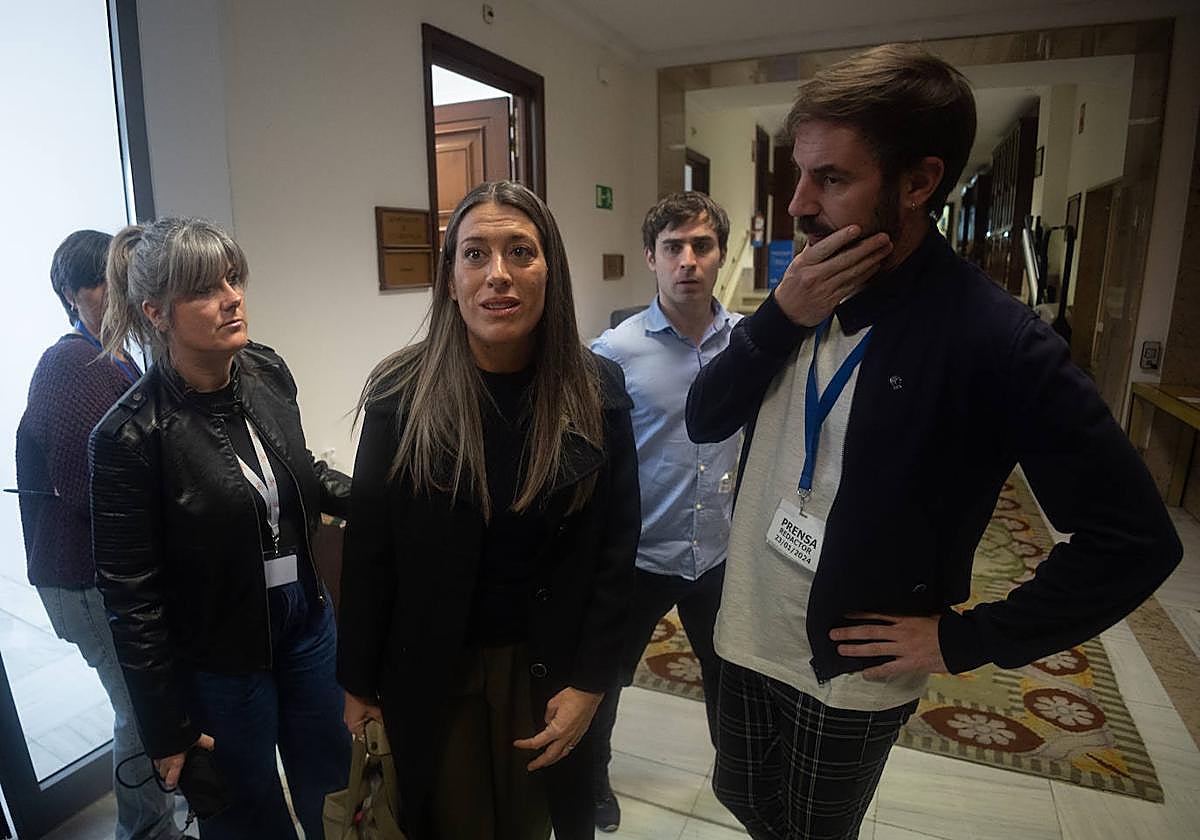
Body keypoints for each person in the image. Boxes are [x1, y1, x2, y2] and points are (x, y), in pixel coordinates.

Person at [686, 44, 1182, 840]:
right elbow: (705, 417)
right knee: (745, 801)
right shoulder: (796, 292)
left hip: (849, 671)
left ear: (918, 183)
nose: (798, 205)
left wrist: (968, 637)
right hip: (744, 630)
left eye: (832, 179)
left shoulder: (996, 339)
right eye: (799, 173)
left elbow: (1134, 541)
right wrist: (780, 317)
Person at [337, 180, 640, 840]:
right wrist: (357, 681)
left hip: (545, 666)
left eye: (520, 253)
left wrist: (592, 682)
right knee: (446, 820)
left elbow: (617, 552)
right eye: (474, 254)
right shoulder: (401, 392)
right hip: (430, 664)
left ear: (549, 271)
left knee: (533, 821)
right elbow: (369, 550)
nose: (497, 275)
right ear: (450, 278)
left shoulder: (595, 390)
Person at [89, 218, 352, 838]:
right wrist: (165, 724)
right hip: (220, 656)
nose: (232, 296)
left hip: (305, 623)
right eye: (206, 289)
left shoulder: (264, 370)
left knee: (334, 783)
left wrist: (383, 500)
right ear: (155, 311)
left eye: (233, 278)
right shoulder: (129, 435)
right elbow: (131, 597)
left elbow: (298, 470)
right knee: (245, 809)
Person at [16, 230, 179, 840]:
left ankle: (165, 814)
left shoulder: (114, 356)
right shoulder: (71, 364)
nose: (117, 296)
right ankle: (146, 831)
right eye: (101, 284)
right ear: (71, 293)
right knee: (140, 709)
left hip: (112, 574)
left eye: (122, 282)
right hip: (83, 578)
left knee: (150, 703)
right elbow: (90, 489)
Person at [587, 192, 741, 832]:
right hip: (640, 554)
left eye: (701, 246)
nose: (688, 261)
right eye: (673, 248)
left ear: (719, 257)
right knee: (604, 680)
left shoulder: (749, 345)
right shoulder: (613, 353)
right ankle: (592, 778)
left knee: (731, 680)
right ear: (651, 258)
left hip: (719, 553)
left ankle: (740, 780)